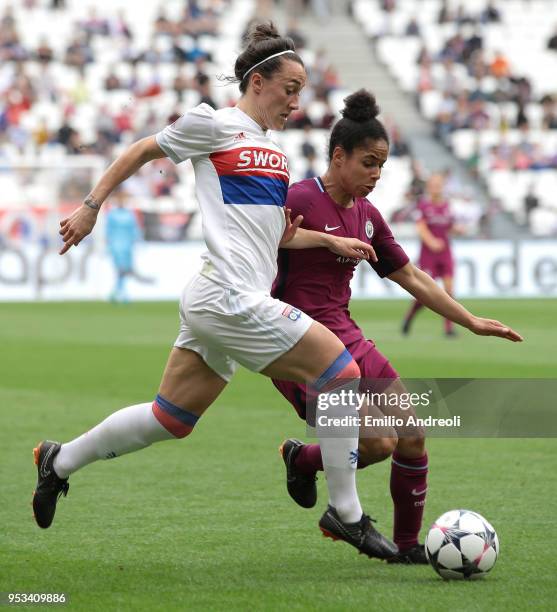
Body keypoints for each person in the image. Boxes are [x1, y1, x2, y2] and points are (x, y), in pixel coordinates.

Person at [31, 23, 398, 560]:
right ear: (256, 81)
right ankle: (347, 515)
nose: (297, 101)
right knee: (340, 371)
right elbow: (140, 150)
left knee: (171, 419)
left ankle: (58, 461)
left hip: (224, 297)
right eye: (289, 88)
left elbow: (276, 234)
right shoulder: (213, 124)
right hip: (228, 294)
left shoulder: (274, 151)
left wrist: (329, 241)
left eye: (301, 91)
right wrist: (92, 206)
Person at [270, 90, 522, 563]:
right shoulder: (298, 197)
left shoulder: (367, 216)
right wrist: (322, 240)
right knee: (379, 442)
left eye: (382, 165)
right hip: (298, 342)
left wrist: (469, 320)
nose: (376, 174)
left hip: (348, 336)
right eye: (368, 162)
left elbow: (409, 275)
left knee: (412, 433)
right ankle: (306, 463)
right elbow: (266, 239)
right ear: (338, 156)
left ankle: (408, 547)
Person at [402, 173, 460, 337]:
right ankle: (409, 317)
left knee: (449, 290)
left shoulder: (447, 205)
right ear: (429, 187)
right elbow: (421, 228)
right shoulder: (423, 205)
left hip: (445, 252)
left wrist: (459, 229)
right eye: (433, 184)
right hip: (429, 254)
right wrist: (431, 241)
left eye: (439, 184)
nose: (436, 187)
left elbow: (449, 226)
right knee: (426, 293)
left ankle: (449, 328)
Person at [105, 190, 141, 303]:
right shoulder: (112, 214)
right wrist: (108, 244)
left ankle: (116, 291)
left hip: (128, 245)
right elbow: (108, 231)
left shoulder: (129, 214)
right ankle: (121, 292)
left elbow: (135, 229)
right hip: (116, 245)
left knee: (125, 269)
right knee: (120, 269)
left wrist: (138, 241)